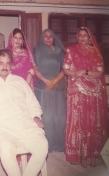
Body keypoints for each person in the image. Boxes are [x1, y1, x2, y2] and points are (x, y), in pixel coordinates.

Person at [63, 27, 108, 167]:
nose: (82, 38)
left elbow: (99, 73)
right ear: (77, 36)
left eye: (85, 35)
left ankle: (91, 154)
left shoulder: (95, 52)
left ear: (90, 38)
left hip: (93, 94)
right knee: (77, 121)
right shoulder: (71, 50)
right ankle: (74, 154)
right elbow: (65, 69)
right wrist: (76, 74)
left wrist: (85, 72)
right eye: (80, 35)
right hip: (77, 92)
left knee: (92, 122)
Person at [33, 29, 66, 153]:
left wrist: (54, 82)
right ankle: (46, 145)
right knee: (46, 117)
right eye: (45, 36)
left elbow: (65, 69)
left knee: (58, 117)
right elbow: (34, 68)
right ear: (42, 38)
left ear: (54, 39)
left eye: (50, 37)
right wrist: (46, 81)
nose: (48, 38)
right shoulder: (36, 51)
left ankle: (59, 145)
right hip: (42, 87)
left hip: (57, 87)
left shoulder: (59, 52)